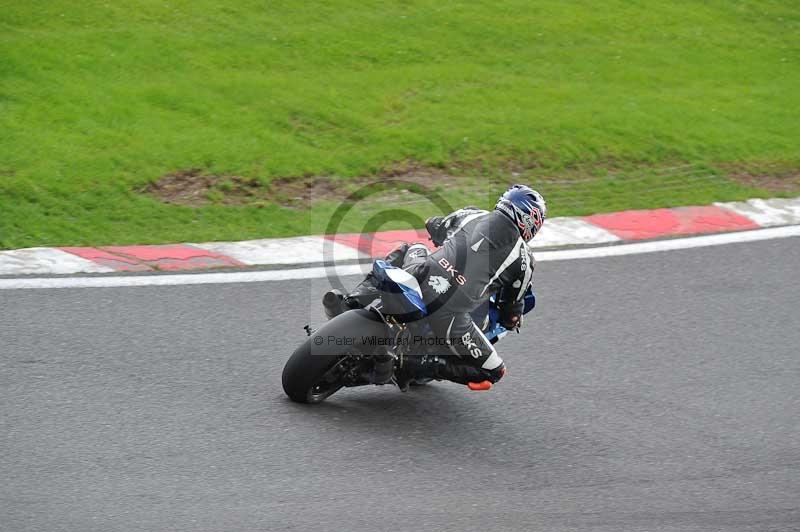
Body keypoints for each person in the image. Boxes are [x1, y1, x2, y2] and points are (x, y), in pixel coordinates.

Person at [324, 184, 547, 391]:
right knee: (494, 371)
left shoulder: (472, 214)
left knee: (413, 247)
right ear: (532, 222)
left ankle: (351, 300)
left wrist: (443, 236)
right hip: (449, 315)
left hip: (418, 276)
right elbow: (512, 306)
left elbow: (434, 224)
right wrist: (511, 319)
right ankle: (408, 364)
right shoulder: (525, 261)